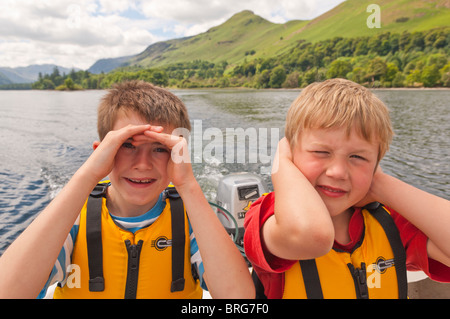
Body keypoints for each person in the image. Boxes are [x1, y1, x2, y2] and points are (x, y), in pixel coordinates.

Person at [0, 80, 254, 299]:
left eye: (160, 148)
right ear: (103, 152)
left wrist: (187, 185)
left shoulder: (192, 222)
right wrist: (88, 174)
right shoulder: (72, 221)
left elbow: (237, 299)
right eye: (126, 146)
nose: (142, 164)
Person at [244, 78, 450, 299]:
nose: (338, 172)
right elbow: (312, 235)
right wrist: (282, 164)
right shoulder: (268, 216)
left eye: (358, 157)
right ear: (291, 154)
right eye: (321, 152)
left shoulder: (389, 222)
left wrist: (380, 185)